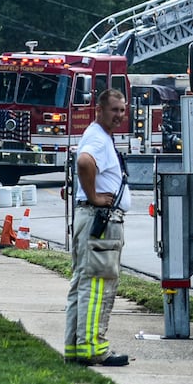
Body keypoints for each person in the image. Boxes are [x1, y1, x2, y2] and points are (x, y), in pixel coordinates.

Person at [65, 88, 131, 366]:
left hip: (91, 220)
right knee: (97, 286)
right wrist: (93, 196)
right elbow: (84, 162)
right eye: (114, 110)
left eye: (122, 110)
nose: (119, 115)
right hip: (99, 220)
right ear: (99, 110)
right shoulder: (98, 139)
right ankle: (93, 349)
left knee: (82, 283)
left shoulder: (97, 136)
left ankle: (76, 349)